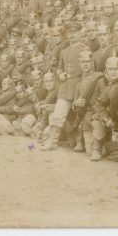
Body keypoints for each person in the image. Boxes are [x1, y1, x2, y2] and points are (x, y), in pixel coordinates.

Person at [40, 22, 88, 151]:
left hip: (79, 86)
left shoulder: (85, 49)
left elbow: (88, 70)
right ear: (66, 35)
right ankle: (53, 141)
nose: (72, 35)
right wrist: (60, 74)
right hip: (65, 87)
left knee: (80, 115)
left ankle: (80, 142)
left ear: (80, 33)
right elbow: (59, 68)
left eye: (75, 32)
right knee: (58, 114)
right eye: (70, 33)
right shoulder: (63, 51)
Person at [71, 49, 106, 156]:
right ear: (80, 64)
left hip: (98, 116)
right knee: (89, 152)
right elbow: (74, 105)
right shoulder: (78, 84)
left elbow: (106, 98)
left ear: (92, 63)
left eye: (88, 62)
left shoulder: (99, 78)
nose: (86, 64)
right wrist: (76, 104)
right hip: (85, 118)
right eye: (83, 62)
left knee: (100, 151)